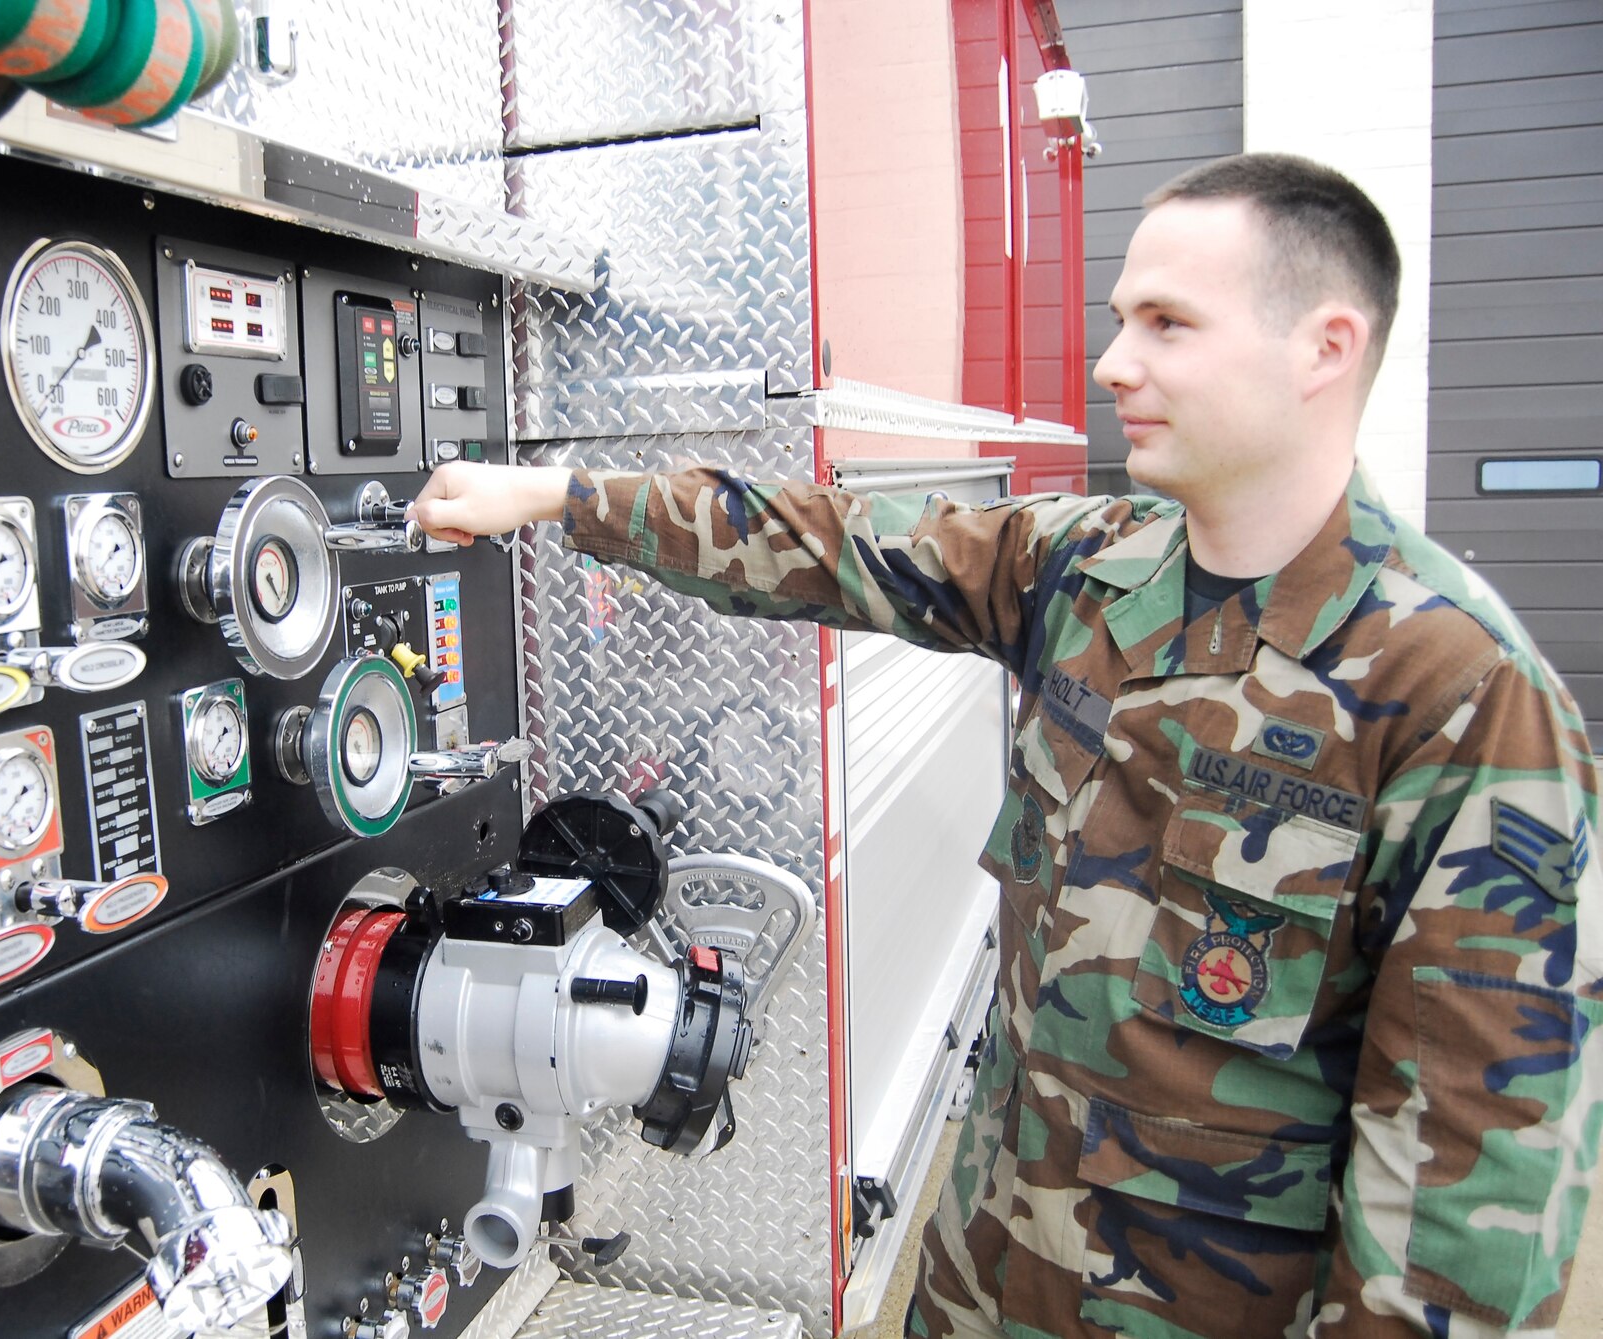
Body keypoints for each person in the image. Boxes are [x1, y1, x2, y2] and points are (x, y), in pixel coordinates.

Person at [408, 154, 1602, 1338]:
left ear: (1323, 348)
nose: (1111, 363)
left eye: (1166, 324)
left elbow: (1459, 1202)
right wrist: (562, 498)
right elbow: (827, 542)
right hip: (984, 1274)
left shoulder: (1460, 697)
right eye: (1119, 318)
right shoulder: (1089, 567)